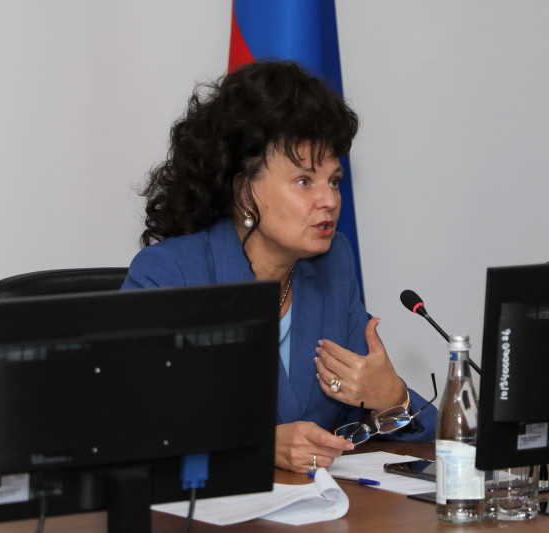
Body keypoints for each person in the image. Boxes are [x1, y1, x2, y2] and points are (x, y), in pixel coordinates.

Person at [122, 60, 437, 473]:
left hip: (320, 504)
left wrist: (393, 399)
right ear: (244, 191)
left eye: (334, 180)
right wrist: (257, 446)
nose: (330, 200)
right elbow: (132, 427)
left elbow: (375, 422)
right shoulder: (170, 274)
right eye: (305, 181)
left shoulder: (332, 265)